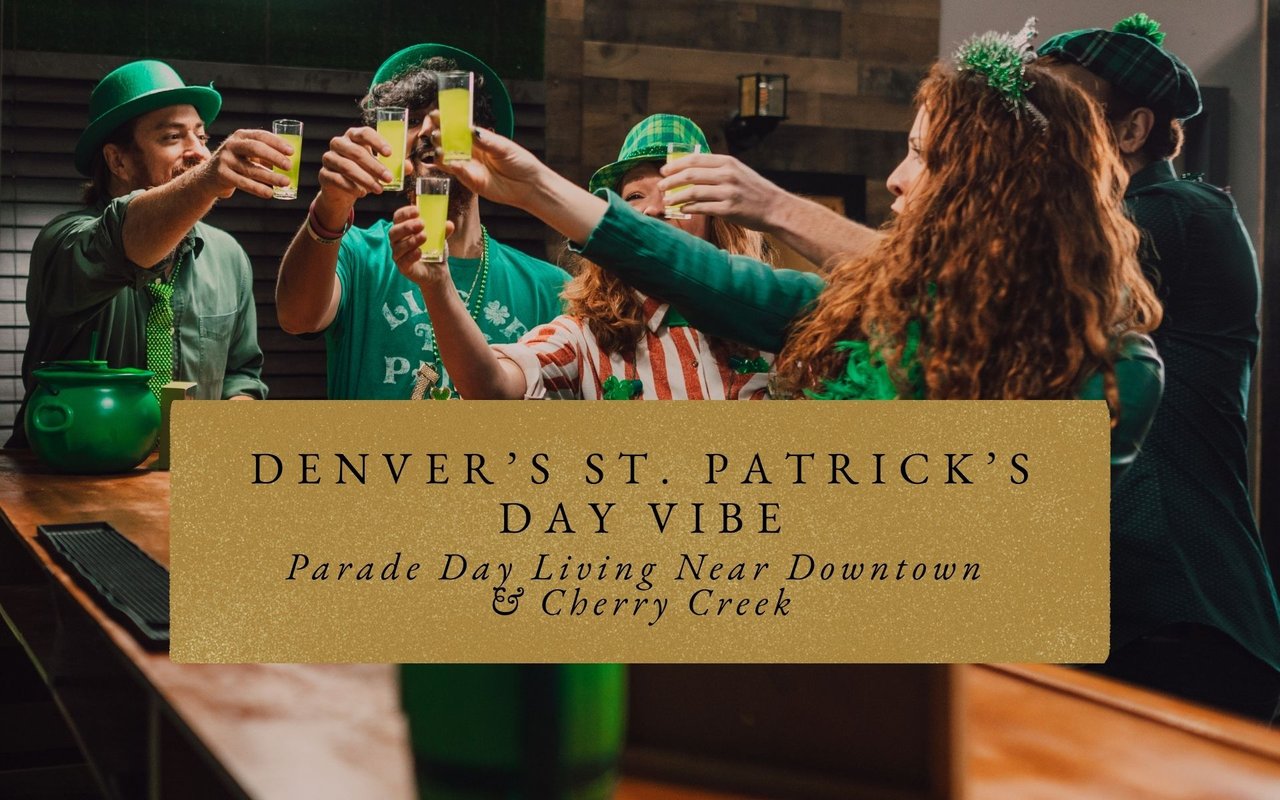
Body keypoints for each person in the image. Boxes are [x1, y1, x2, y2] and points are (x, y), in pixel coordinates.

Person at [431, 21, 1163, 473]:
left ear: (996, 189)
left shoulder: (1112, 370)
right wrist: (529, 188)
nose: (896, 179)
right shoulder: (862, 311)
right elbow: (705, 277)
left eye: (925, 157)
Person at [1038, 14, 1280, 721]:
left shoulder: (1172, 214)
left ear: (1131, 129)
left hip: (1183, 615)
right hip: (1128, 615)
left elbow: (981, 298)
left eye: (1059, 111)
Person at [389, 114, 772, 400]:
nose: (654, 209)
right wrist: (438, 286)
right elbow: (491, 387)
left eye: (677, 193)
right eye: (636, 197)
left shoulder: (771, 325)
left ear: (713, 218)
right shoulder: (585, 339)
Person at [7, 59, 280, 447]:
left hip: (182, 482)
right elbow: (124, 240)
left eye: (202, 137)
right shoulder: (65, 241)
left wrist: (234, 416)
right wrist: (209, 180)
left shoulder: (228, 256)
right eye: (173, 137)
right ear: (118, 160)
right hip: (68, 479)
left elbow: (241, 373)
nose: (199, 153)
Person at [274, 44, 568, 399]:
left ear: (488, 140)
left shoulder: (550, 288)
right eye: (411, 120)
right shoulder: (358, 254)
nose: (428, 129)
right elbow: (297, 317)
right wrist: (331, 206)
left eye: (449, 117)